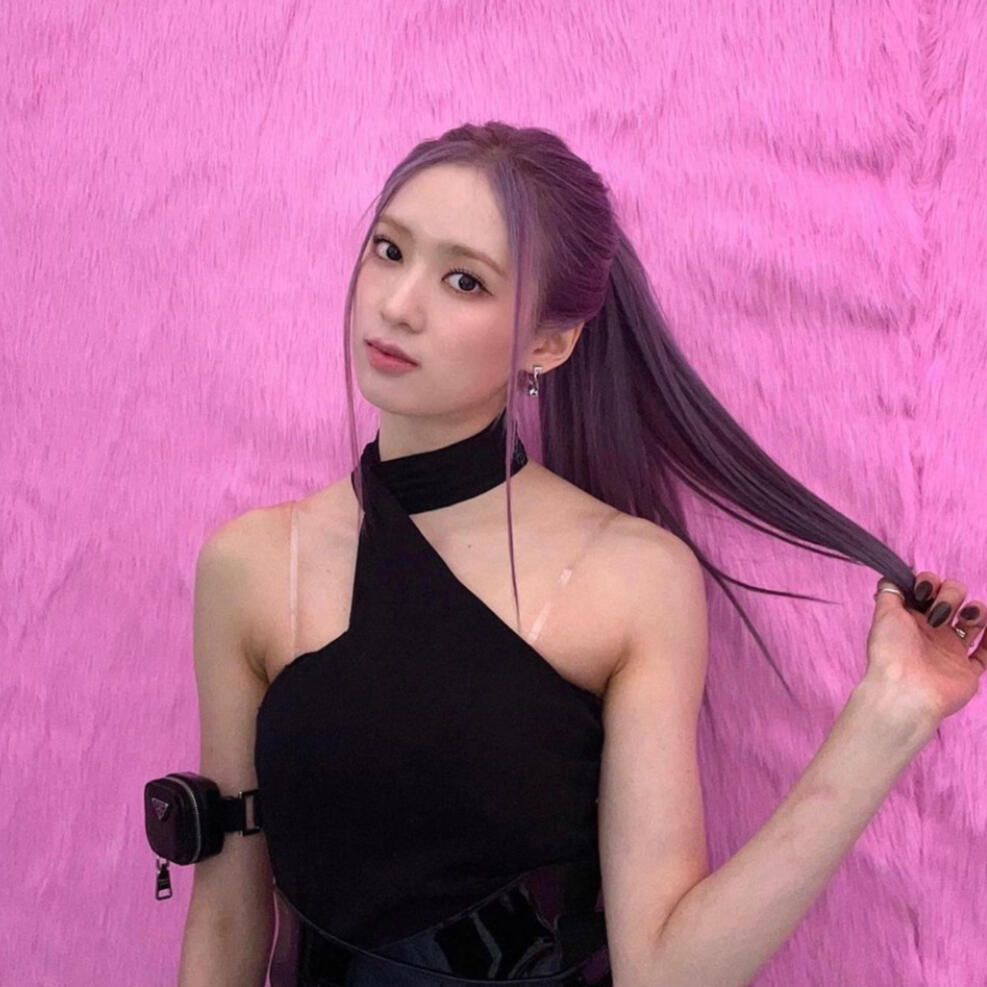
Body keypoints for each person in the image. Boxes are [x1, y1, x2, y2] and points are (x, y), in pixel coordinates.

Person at [178, 123, 985, 987]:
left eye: (464, 280)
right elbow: (226, 920)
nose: (398, 304)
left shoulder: (631, 577)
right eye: (389, 250)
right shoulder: (249, 565)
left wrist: (891, 714)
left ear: (548, 343)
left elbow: (665, 972)